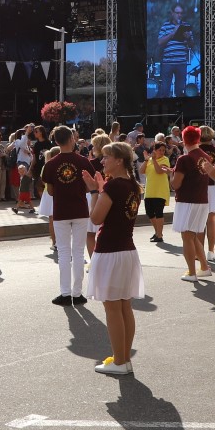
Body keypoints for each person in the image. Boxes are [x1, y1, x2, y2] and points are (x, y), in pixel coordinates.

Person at [85, 141, 143, 374]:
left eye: (106, 157)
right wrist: (99, 189)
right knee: (124, 306)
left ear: (119, 161)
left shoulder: (114, 186)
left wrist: (94, 191)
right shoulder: (133, 185)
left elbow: (96, 218)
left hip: (110, 251)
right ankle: (123, 358)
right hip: (127, 250)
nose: (102, 161)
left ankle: (120, 361)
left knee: (112, 308)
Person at [40, 125, 94, 305]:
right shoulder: (83, 161)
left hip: (61, 211)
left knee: (63, 252)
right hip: (80, 209)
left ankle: (65, 293)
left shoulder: (50, 164)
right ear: (72, 139)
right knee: (78, 252)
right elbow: (89, 187)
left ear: (56, 141)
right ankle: (77, 294)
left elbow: (50, 191)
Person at [169, 125, 215, 284]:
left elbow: (175, 184)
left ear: (184, 140)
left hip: (187, 200)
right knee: (192, 235)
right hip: (202, 199)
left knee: (187, 237)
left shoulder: (184, 158)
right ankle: (204, 267)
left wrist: (171, 175)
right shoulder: (205, 156)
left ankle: (192, 272)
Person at [142, 139, 171, 243]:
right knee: (149, 213)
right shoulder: (149, 160)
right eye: (160, 150)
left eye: (163, 150)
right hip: (149, 190)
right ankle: (157, 232)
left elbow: (159, 171)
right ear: (155, 150)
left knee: (159, 212)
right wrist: (146, 160)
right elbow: (141, 171)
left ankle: (159, 235)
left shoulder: (165, 160)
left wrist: (154, 160)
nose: (162, 152)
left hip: (160, 191)